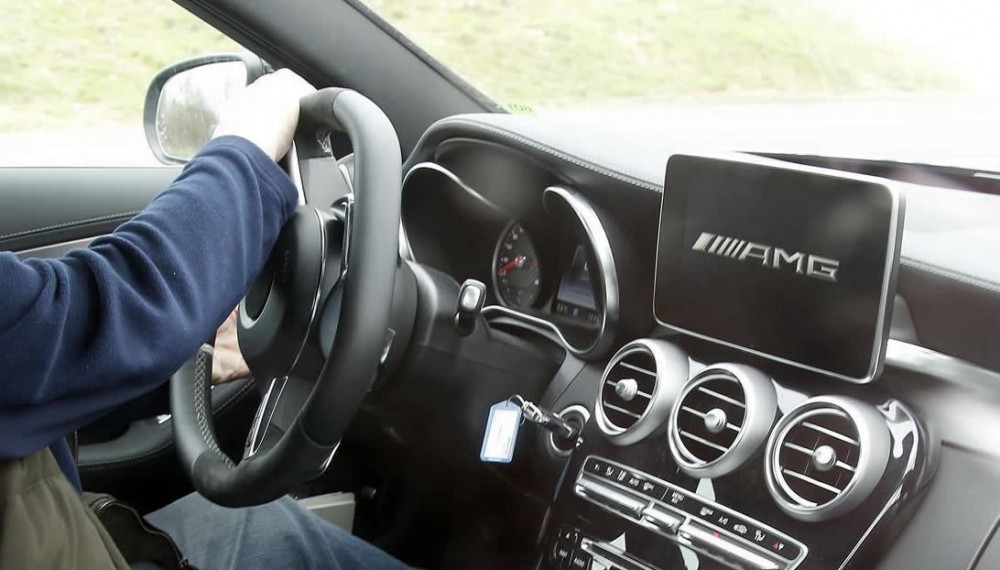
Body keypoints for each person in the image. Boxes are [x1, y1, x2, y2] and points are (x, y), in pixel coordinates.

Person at [0, 69, 410, 570]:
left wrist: (186, 355)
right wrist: (248, 143)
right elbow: (84, 314)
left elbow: (27, 363)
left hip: (59, 533)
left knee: (262, 524)